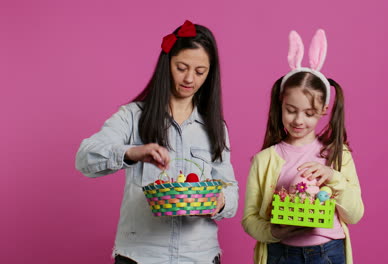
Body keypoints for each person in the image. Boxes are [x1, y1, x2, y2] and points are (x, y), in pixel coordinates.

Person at [76, 20, 238, 264]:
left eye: (200, 71)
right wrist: (133, 153)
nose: (189, 78)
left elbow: (230, 187)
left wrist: (221, 200)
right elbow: (85, 157)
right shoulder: (132, 116)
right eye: (181, 67)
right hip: (141, 256)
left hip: (199, 256)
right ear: (167, 64)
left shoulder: (215, 127)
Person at [242, 29, 364, 264]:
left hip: (328, 252)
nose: (299, 120)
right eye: (291, 110)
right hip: (281, 253)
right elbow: (249, 219)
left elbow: (355, 214)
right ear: (281, 104)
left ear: (324, 110)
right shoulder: (265, 160)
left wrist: (333, 177)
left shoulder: (337, 155)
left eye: (309, 113)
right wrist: (274, 232)